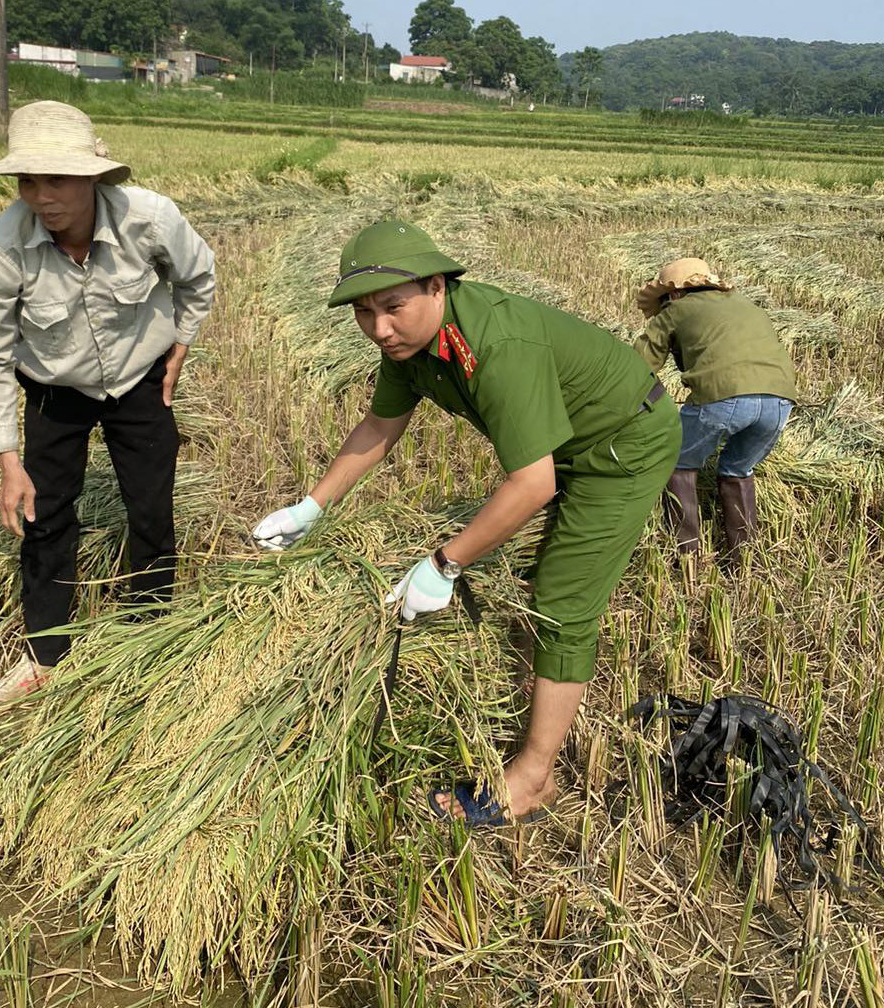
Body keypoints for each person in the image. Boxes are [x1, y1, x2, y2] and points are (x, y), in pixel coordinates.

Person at [253, 221, 680, 826]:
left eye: (393, 307)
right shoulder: (408, 346)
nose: (379, 328)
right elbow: (380, 426)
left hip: (621, 444)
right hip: (563, 441)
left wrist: (444, 563)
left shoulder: (496, 344)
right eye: (364, 312)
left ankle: (534, 780)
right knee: (534, 565)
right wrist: (311, 506)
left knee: (564, 600)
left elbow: (533, 483)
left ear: (436, 286)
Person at [0, 101, 216, 714]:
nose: (41, 197)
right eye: (28, 181)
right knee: (44, 514)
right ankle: (45, 653)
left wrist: (181, 343)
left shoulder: (149, 219)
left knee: (150, 505)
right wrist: (8, 459)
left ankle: (148, 630)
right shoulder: (2, 249)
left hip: (140, 379)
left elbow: (198, 276)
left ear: (92, 176)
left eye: (57, 179)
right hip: (55, 390)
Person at [634, 258, 798, 558]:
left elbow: (638, 367)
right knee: (738, 469)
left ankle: (686, 557)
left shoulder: (675, 310)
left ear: (674, 293)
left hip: (724, 396)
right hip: (779, 399)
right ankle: (743, 559)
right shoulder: (745, 304)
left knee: (678, 463)